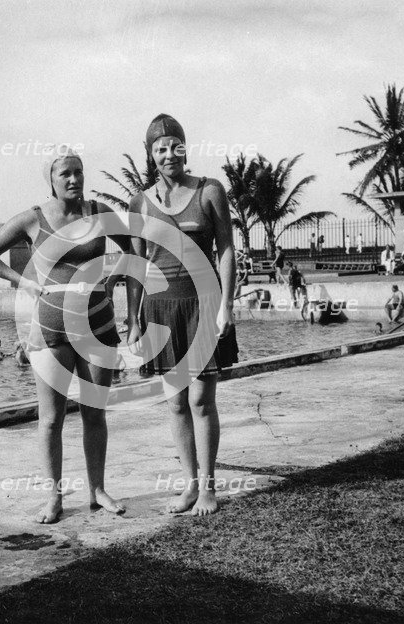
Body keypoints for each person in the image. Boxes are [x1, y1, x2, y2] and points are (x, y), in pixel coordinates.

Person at [0, 145, 129, 524]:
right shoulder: (33, 219)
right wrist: (22, 282)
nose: (75, 179)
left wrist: (112, 280)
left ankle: (97, 491)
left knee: (95, 413)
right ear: (52, 180)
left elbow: (133, 247)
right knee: (50, 419)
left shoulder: (99, 213)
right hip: (51, 328)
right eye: (66, 174)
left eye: (79, 171)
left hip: (97, 325)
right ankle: (53, 498)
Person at [126, 114, 236, 517]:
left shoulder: (209, 191)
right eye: (160, 148)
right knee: (175, 404)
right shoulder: (139, 202)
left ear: (186, 148)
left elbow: (226, 249)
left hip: (203, 304)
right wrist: (134, 320)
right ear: (150, 155)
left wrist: (226, 304)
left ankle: (208, 489)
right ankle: (190, 486)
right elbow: (136, 263)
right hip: (159, 309)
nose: (169, 154)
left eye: (176, 146)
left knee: (201, 399)